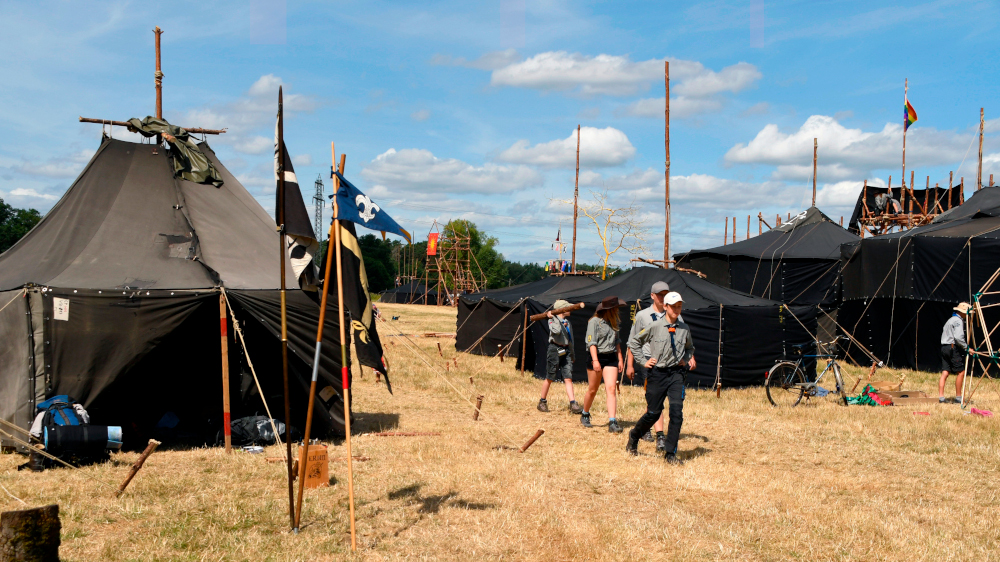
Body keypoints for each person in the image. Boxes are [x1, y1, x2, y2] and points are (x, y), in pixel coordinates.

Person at [626, 292, 696, 465]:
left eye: (679, 306)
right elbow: (634, 342)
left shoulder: (684, 328)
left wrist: (685, 359)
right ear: (665, 307)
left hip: (676, 374)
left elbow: (690, 348)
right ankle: (634, 435)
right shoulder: (655, 326)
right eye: (673, 306)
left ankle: (670, 453)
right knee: (653, 413)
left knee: (676, 413)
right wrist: (643, 361)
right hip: (657, 374)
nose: (676, 310)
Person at [625, 281, 670, 451]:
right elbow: (632, 341)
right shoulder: (642, 316)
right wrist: (630, 365)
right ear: (652, 296)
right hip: (648, 362)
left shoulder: (672, 313)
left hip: (667, 362)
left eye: (665, 294)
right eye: (659, 294)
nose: (662, 297)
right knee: (655, 397)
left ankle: (646, 428)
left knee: (657, 398)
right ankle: (659, 435)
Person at [582, 296, 627, 433]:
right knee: (593, 389)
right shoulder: (594, 322)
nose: (618, 310)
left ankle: (612, 422)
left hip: (610, 357)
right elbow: (591, 343)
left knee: (611, 388)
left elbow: (617, 341)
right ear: (609, 309)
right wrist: (595, 360)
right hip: (596, 356)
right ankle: (585, 413)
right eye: (616, 308)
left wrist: (620, 358)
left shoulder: (614, 322)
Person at [537, 299, 583, 414]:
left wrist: (572, 354)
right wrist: (552, 318)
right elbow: (556, 331)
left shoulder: (568, 322)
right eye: (568, 308)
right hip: (555, 350)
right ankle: (542, 401)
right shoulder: (552, 320)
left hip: (566, 351)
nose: (570, 310)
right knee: (550, 376)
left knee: (568, 377)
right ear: (562, 310)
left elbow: (570, 339)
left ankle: (573, 403)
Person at [939, 302, 971, 403]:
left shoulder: (950, 320)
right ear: (962, 312)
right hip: (951, 347)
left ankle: (941, 397)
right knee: (961, 372)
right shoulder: (958, 321)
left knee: (945, 372)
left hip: (944, 347)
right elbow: (958, 337)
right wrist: (966, 348)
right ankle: (958, 397)